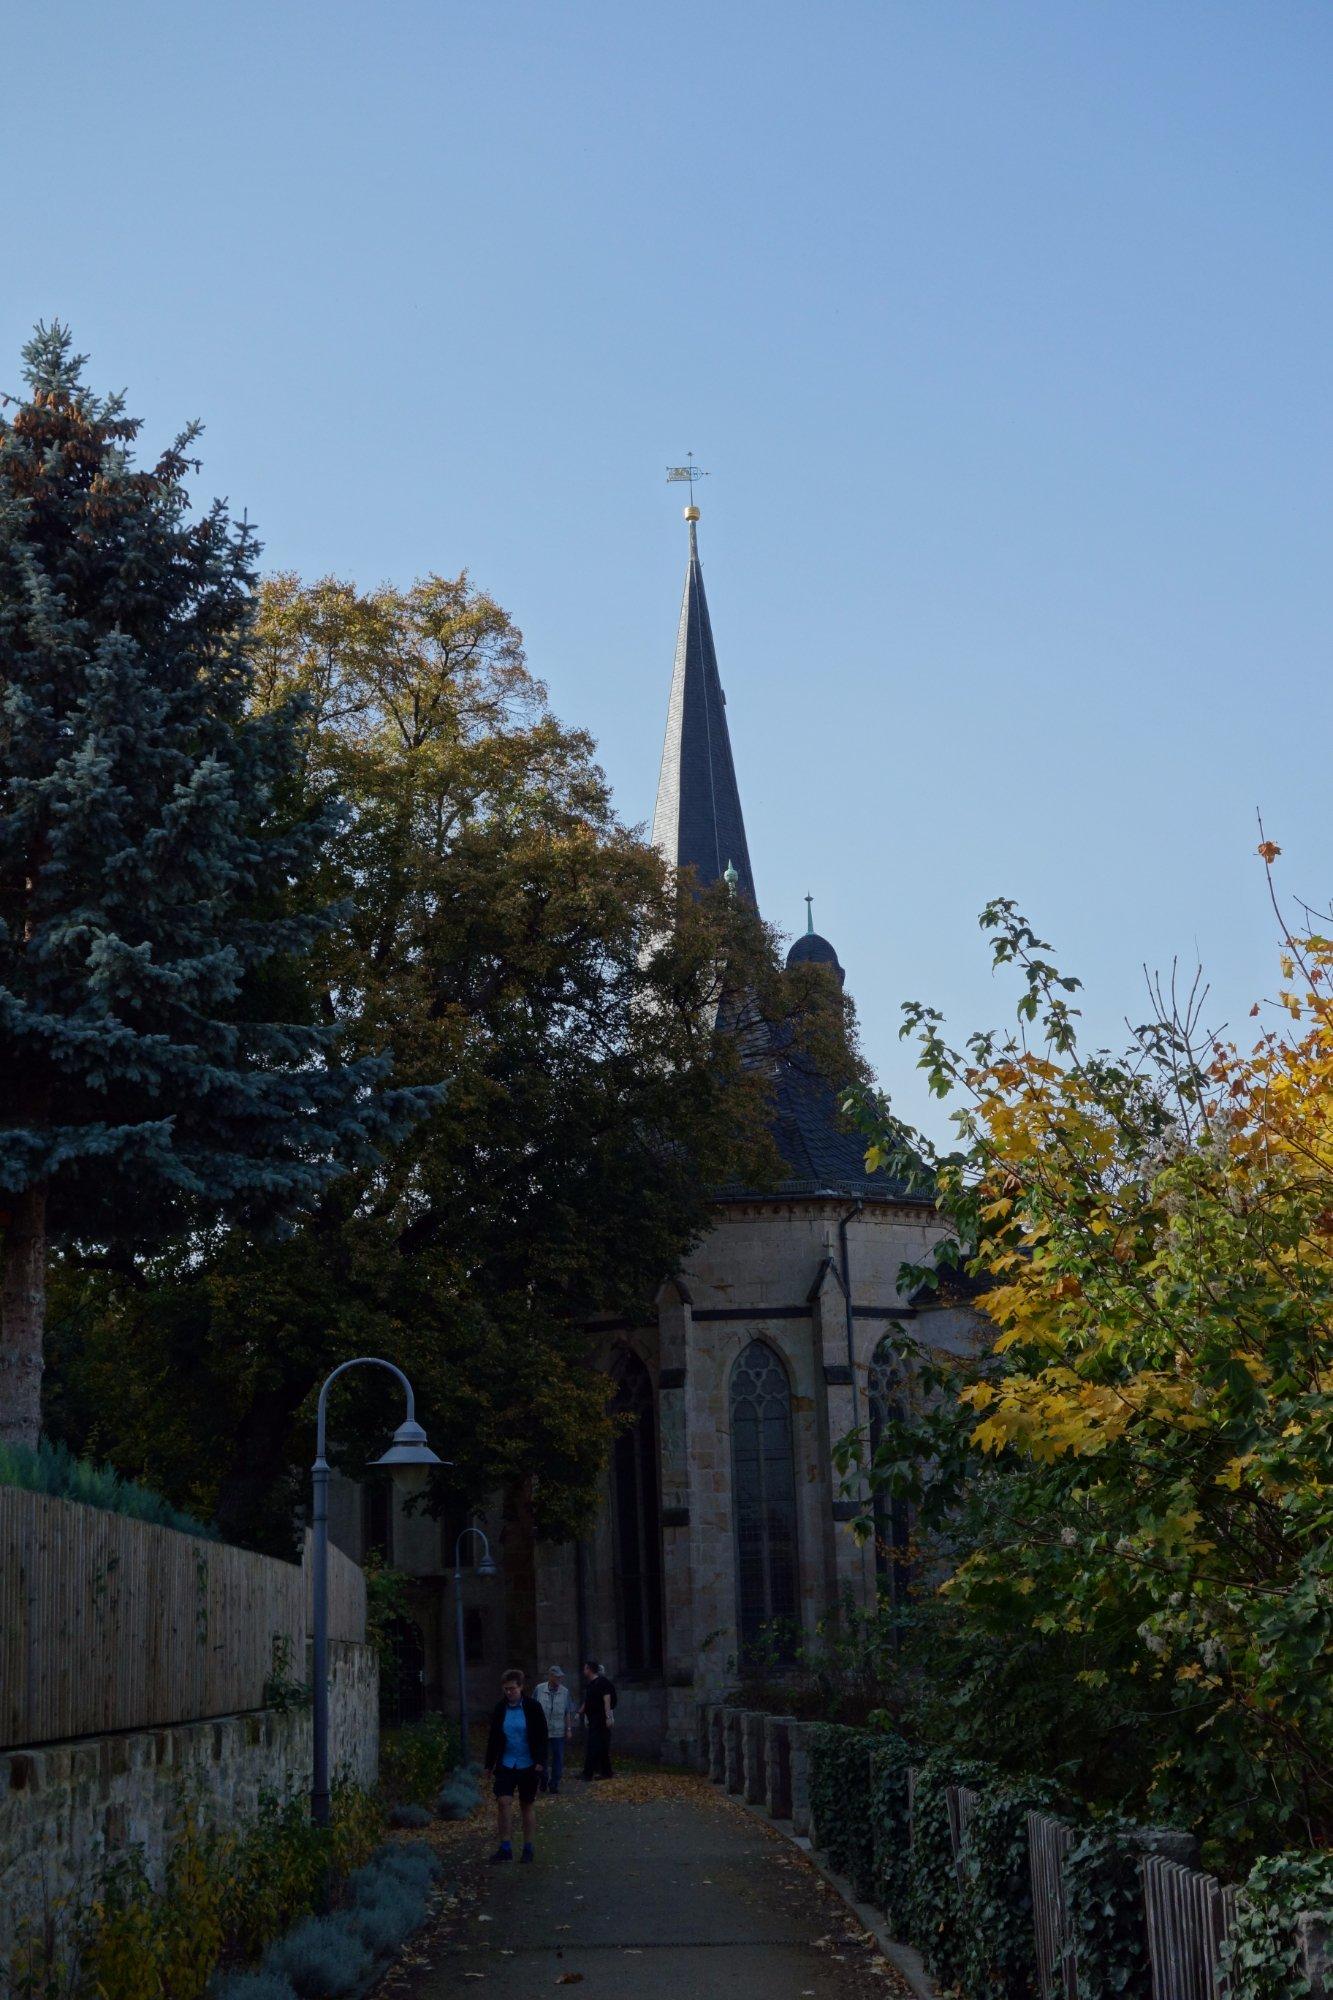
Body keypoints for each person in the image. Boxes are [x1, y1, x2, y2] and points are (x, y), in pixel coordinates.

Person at [484, 1668, 549, 1863]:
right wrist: (489, 1764)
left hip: (528, 1764)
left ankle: (528, 1847)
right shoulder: (500, 1709)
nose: (509, 1692)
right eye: (506, 1689)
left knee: (526, 1805)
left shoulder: (533, 1707)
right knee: (503, 1802)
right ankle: (505, 1847)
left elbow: (541, 1735)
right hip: (506, 1763)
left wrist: (540, 1761)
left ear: (521, 1687)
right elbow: (494, 1737)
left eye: (512, 1688)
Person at [535, 1665, 573, 1794]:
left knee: (558, 1758)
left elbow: (567, 1712)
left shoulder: (565, 1692)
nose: (559, 1679)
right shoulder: (539, 1689)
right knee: (541, 1758)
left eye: (560, 1677)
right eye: (557, 1677)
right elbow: (533, 1709)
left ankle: (554, 1783)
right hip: (541, 1731)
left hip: (558, 1731)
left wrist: (568, 1729)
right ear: (550, 1676)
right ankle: (543, 1780)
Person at [579, 1656, 616, 1780]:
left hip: (600, 1719)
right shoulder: (592, 1684)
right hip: (594, 1718)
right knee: (601, 1746)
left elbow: (607, 1699)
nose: (584, 1671)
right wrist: (580, 1712)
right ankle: (606, 1772)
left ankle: (588, 1773)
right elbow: (588, 1701)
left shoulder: (601, 1682)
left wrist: (608, 1717)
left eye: (585, 1668)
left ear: (589, 1669)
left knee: (593, 1745)